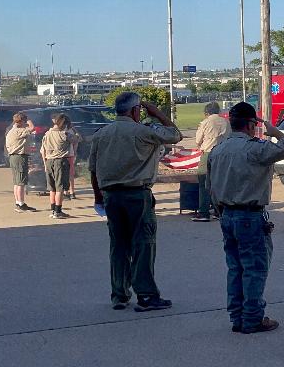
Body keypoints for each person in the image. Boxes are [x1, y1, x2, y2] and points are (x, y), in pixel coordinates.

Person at [89, 93, 182, 312]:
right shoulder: (143, 131)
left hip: (111, 195)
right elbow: (175, 135)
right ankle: (147, 295)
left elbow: (93, 168)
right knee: (143, 244)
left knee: (118, 245)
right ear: (135, 110)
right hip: (137, 194)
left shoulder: (102, 133)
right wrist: (157, 113)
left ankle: (119, 294)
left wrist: (98, 197)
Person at [207, 102, 284, 334]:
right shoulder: (255, 148)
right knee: (254, 268)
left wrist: (220, 210)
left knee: (235, 268)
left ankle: (237, 316)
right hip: (249, 215)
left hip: (227, 214)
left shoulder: (218, 150)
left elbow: (211, 186)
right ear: (251, 125)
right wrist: (274, 131)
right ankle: (253, 317)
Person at [193, 101, 230, 222]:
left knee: (204, 183)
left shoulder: (206, 122)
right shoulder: (225, 122)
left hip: (208, 153)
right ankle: (218, 211)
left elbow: (198, 140)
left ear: (207, 112)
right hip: (223, 154)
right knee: (219, 183)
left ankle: (203, 212)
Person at [41, 113, 81, 220]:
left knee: (52, 188)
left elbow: (43, 150)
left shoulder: (47, 134)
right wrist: (74, 130)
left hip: (49, 161)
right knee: (60, 188)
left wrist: (45, 163)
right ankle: (58, 211)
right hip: (60, 161)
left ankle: (53, 209)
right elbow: (78, 139)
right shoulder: (65, 134)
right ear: (65, 124)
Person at [5, 112, 38, 212]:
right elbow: (32, 128)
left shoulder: (11, 130)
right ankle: (21, 204)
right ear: (22, 121)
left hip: (13, 157)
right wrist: (29, 120)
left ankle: (18, 202)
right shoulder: (19, 131)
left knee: (16, 182)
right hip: (19, 157)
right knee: (21, 182)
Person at [65, 126, 81, 201]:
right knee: (70, 174)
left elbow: (77, 140)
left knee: (66, 174)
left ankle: (67, 192)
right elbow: (77, 140)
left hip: (65, 155)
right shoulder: (72, 130)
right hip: (70, 154)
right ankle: (71, 192)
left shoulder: (68, 131)